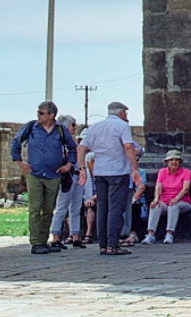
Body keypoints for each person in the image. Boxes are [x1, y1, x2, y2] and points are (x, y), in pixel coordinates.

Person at [10, 101, 76, 254]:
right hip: (35, 173)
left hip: (53, 174)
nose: (38, 116)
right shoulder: (31, 127)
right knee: (35, 209)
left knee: (48, 210)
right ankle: (35, 242)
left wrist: (69, 165)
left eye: (42, 113)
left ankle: (43, 240)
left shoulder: (60, 130)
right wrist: (19, 162)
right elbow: (15, 142)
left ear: (51, 115)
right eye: (38, 113)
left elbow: (73, 148)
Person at [78, 100, 141, 256]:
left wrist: (82, 169)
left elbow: (81, 148)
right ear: (121, 113)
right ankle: (113, 244)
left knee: (102, 208)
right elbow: (128, 146)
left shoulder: (94, 128)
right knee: (116, 208)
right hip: (118, 171)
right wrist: (135, 168)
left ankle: (103, 244)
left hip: (100, 171)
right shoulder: (122, 126)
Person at [53, 115, 87, 246]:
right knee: (62, 207)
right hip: (68, 175)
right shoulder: (61, 141)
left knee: (76, 207)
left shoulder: (72, 140)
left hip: (77, 174)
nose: (75, 127)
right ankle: (56, 236)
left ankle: (75, 235)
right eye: (73, 125)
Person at [152, 149, 191, 242]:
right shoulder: (162, 172)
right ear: (167, 162)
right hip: (165, 200)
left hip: (182, 201)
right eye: (171, 160)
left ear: (180, 162)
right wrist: (156, 199)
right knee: (155, 206)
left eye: (176, 160)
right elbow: (158, 187)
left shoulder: (186, 172)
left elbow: (185, 188)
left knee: (173, 206)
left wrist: (177, 198)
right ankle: (151, 234)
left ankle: (169, 234)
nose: (174, 162)